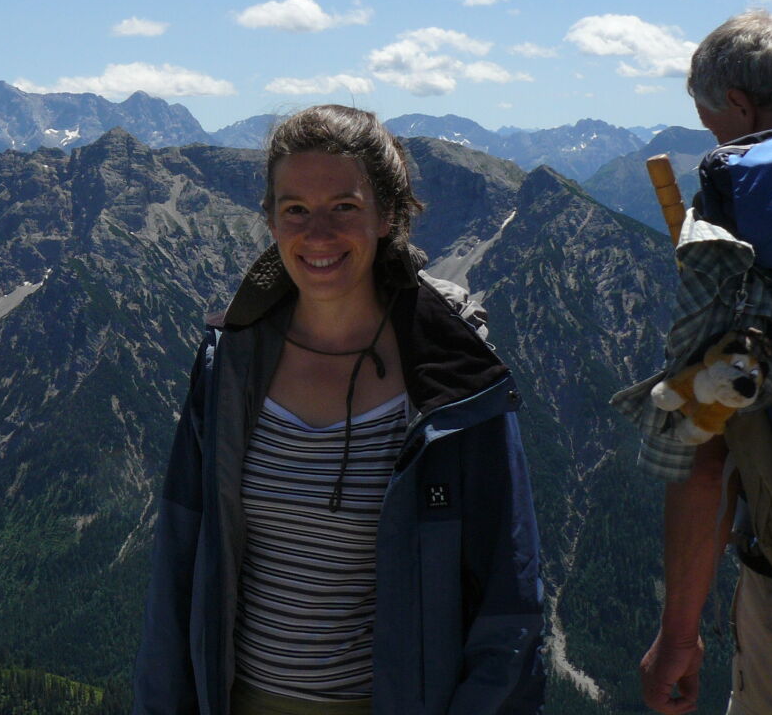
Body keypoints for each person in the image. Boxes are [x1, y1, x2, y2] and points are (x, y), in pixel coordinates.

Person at [133, 104, 543, 715]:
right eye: (294, 208)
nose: (316, 234)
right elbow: (179, 565)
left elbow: (509, 599)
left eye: (344, 207)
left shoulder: (454, 373)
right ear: (269, 219)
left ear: (387, 216)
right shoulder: (230, 364)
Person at [639, 10, 772, 715]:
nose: (715, 138)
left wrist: (678, 634)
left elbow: (704, 432)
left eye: (712, 123)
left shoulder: (739, 208)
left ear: (740, 105)